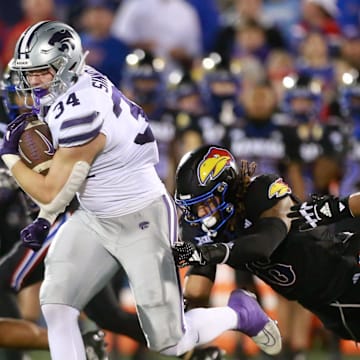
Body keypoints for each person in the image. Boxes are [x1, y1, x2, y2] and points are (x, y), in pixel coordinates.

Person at [0, 20, 281, 360]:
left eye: (42, 72)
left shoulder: (82, 109)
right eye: (29, 73)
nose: (32, 81)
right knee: (58, 305)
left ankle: (240, 314)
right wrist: (45, 215)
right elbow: (69, 182)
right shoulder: (77, 81)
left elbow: (49, 191)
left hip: (140, 216)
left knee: (170, 341)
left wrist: (10, 156)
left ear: (65, 65)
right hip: (94, 215)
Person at [172, 143, 360, 345]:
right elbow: (198, 291)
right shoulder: (202, 227)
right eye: (193, 208)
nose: (200, 215)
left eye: (206, 204)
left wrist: (206, 253)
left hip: (350, 272)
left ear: (225, 189)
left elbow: (263, 244)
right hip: (325, 305)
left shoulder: (261, 191)